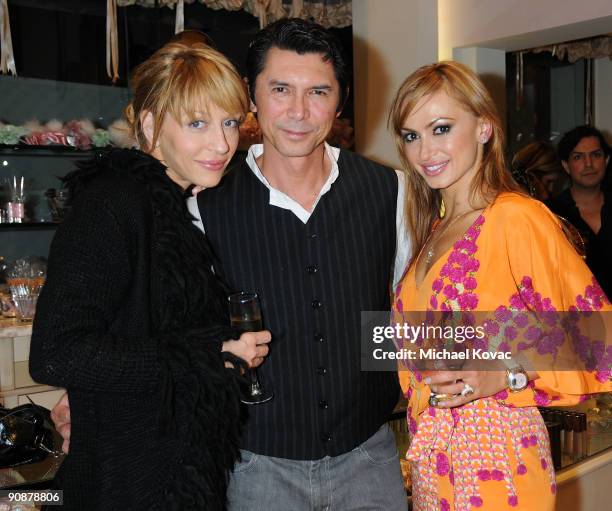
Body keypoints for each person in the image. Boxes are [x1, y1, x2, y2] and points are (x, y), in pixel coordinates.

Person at [29, 40, 271, 510]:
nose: (222, 143)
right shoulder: (113, 204)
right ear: (149, 124)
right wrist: (206, 355)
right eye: (197, 123)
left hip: (171, 471)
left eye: (228, 122)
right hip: (127, 482)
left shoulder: (171, 208)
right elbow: (57, 353)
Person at [194, 18, 411, 510]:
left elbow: (407, 312)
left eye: (317, 91)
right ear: (252, 95)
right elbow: (176, 330)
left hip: (370, 457)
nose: (298, 111)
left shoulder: (390, 191)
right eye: (280, 89)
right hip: (255, 466)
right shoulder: (204, 204)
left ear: (340, 99)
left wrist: (500, 360)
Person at [389, 61, 611, 511]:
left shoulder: (515, 217)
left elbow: (600, 340)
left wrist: (504, 373)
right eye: (411, 135)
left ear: (485, 127)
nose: (424, 150)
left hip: (499, 464)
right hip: (436, 462)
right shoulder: (434, 226)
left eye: (441, 128)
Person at [546, 125, 611, 298]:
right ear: (566, 165)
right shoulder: (550, 214)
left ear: (606, 160)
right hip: (575, 318)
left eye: (596, 155)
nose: (588, 164)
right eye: (578, 157)